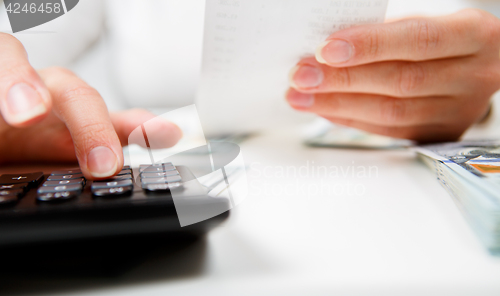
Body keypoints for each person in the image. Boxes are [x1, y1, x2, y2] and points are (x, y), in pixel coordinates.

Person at [0, 0, 499, 179]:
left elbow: (479, 38)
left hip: (403, 197)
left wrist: (485, 100)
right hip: (190, 187)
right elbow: (24, 20)